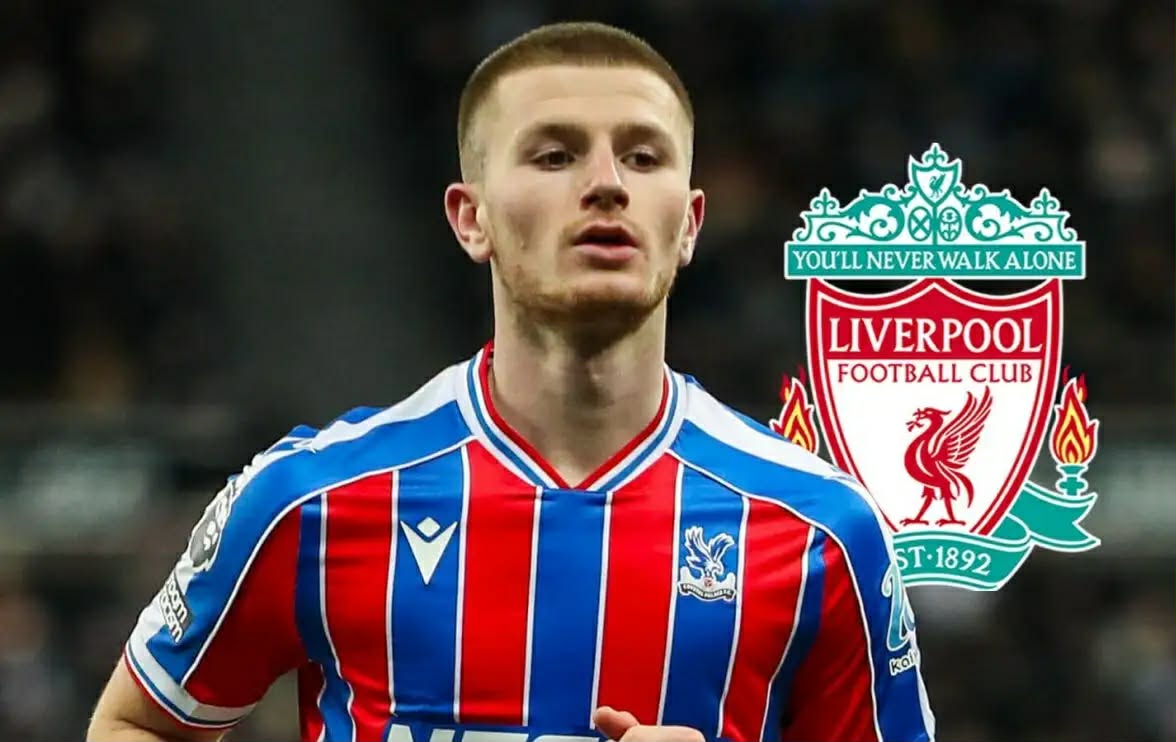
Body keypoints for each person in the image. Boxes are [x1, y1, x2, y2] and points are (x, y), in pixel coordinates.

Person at [87, 20, 936, 742]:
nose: (606, 184)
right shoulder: (308, 497)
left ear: (689, 223)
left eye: (643, 157)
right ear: (472, 218)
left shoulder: (822, 530)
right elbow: (136, 724)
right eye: (555, 154)